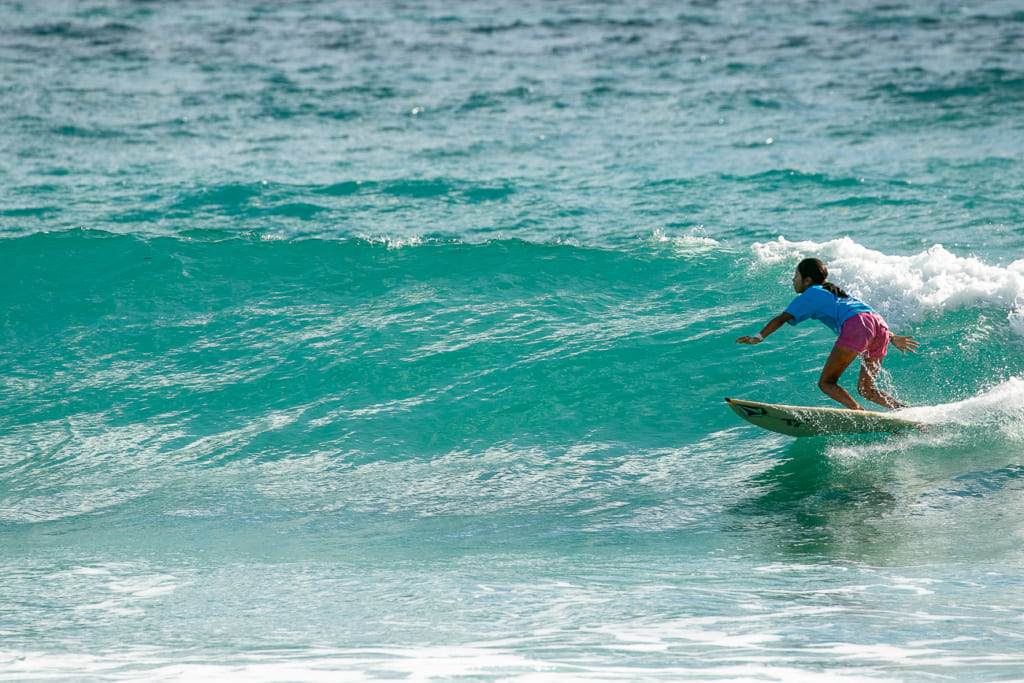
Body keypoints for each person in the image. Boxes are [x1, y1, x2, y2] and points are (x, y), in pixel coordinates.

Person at [736, 258, 918, 411]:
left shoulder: (811, 293)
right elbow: (867, 317)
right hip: (879, 326)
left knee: (827, 383)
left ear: (807, 280)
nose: (793, 280)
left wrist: (757, 337)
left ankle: (859, 413)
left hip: (857, 326)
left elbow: (782, 318)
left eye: (796, 276)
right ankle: (903, 410)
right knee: (866, 389)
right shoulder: (838, 292)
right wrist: (892, 337)